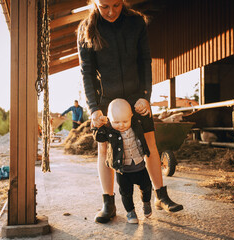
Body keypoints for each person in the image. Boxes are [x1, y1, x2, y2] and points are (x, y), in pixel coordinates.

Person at [77, 0, 183, 224]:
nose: (111, 12)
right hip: (107, 102)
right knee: (105, 149)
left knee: (149, 144)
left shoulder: (136, 22)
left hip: (137, 97)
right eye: (104, 6)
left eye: (116, 5)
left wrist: (146, 96)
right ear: (95, 3)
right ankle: (108, 202)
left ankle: (160, 195)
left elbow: (145, 61)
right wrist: (94, 109)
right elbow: (86, 74)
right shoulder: (87, 29)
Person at [94, 99, 152, 224]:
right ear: (109, 119)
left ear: (131, 116)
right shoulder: (110, 131)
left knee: (147, 187)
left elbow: (145, 119)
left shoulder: (136, 124)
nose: (121, 125)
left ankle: (146, 202)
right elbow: (99, 137)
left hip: (140, 167)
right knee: (126, 193)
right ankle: (130, 212)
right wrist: (98, 126)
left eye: (125, 121)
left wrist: (144, 106)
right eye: (116, 122)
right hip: (123, 171)